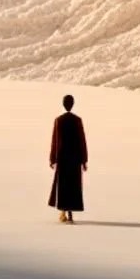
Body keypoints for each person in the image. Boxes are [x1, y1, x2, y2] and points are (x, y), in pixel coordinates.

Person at [48, 93, 88, 222]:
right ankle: (69, 213)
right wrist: (84, 160)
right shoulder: (77, 120)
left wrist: (52, 159)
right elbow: (82, 141)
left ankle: (64, 213)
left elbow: (54, 141)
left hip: (63, 158)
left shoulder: (59, 120)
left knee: (63, 186)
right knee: (73, 186)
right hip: (75, 158)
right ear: (72, 104)